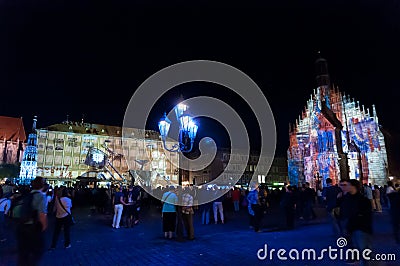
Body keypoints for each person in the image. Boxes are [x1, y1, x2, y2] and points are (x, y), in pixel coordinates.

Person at [16, 176, 48, 266]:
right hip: (33, 228)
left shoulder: (28, 195)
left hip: (21, 227)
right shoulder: (41, 197)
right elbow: (42, 215)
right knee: (36, 253)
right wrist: (43, 228)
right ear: (42, 185)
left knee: (23, 255)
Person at [344, 180, 373, 266]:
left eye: (348, 185)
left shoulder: (363, 200)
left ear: (354, 187)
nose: (346, 187)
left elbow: (365, 216)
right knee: (357, 250)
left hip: (362, 229)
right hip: (352, 228)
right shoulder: (347, 198)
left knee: (364, 252)